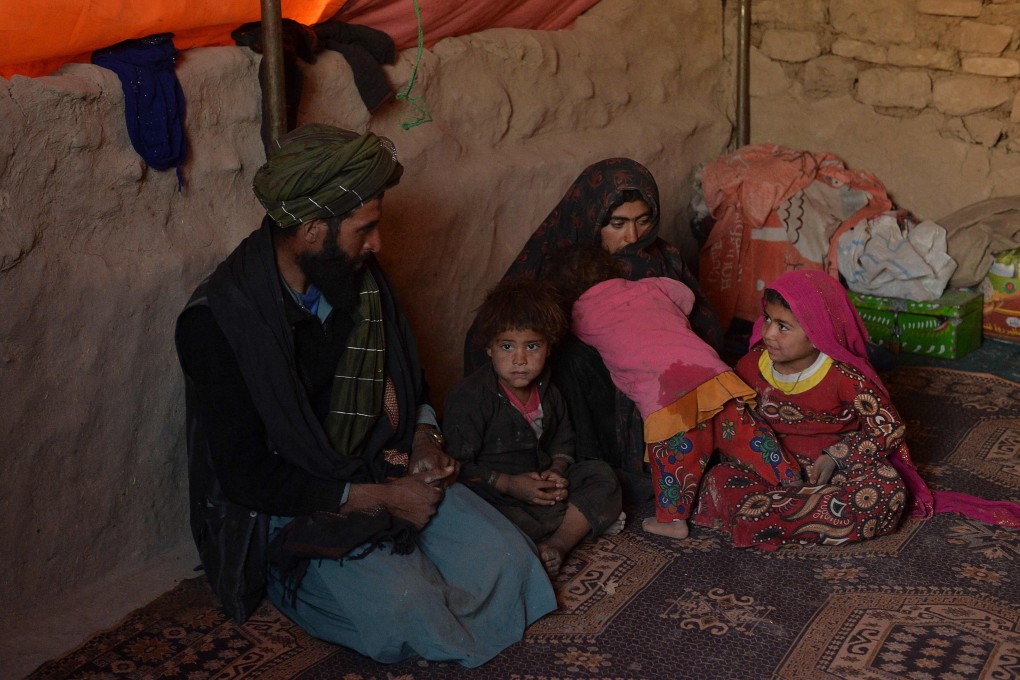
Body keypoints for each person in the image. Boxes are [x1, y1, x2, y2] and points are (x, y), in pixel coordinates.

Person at [174, 124, 556, 668]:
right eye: (365, 229)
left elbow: (409, 381)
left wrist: (423, 439)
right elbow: (245, 474)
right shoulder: (219, 322)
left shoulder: (357, 279)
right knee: (411, 606)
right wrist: (378, 498)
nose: (376, 244)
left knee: (509, 565)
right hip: (296, 500)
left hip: (389, 462)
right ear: (311, 230)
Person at [692, 270, 1020, 550]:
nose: (768, 334)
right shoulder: (751, 365)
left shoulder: (843, 376)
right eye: (768, 320)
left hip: (836, 472)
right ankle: (789, 515)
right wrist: (761, 459)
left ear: (819, 331)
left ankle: (771, 518)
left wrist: (837, 455)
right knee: (720, 478)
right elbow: (733, 419)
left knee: (887, 490)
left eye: (783, 326)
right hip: (769, 472)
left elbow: (889, 427)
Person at [463, 158, 722, 473]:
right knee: (568, 355)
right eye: (617, 223)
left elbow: (705, 325)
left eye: (643, 220)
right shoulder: (562, 265)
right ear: (591, 219)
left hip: (668, 386)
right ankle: (594, 464)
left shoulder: (665, 259)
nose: (632, 235)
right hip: (594, 397)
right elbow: (506, 330)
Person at [547, 245, 800, 540]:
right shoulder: (649, 286)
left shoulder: (580, 315)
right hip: (711, 373)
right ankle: (787, 475)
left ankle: (672, 519)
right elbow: (686, 296)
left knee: (674, 458)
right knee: (746, 433)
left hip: (666, 393)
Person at [444, 277, 624, 577]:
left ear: (548, 347)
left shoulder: (549, 391)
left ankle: (558, 543)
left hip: (542, 489)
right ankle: (577, 522)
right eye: (506, 346)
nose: (520, 359)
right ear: (489, 348)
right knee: (471, 510)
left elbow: (563, 444)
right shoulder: (469, 398)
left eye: (531, 345)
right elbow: (457, 465)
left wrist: (557, 471)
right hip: (498, 493)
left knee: (602, 476)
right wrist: (509, 484)